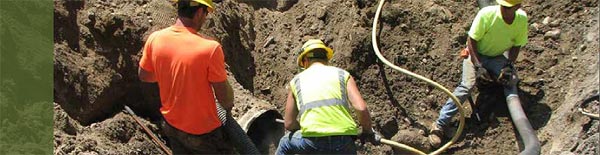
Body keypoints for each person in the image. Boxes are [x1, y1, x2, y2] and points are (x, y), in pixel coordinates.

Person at [138, 0, 236, 154]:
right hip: (203, 134)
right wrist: (229, 100)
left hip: (172, 125)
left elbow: (144, 75)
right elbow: (224, 98)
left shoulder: (155, 39)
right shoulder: (209, 49)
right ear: (198, 13)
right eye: (205, 14)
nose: (205, 19)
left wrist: (170, 75)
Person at [429, 0, 528, 147]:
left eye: (508, 7)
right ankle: (440, 124)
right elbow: (472, 40)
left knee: (511, 79)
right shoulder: (486, 15)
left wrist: (508, 65)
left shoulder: (521, 19)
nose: (504, 10)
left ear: (517, 6)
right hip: (475, 54)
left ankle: (501, 96)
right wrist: (478, 66)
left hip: (496, 57)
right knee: (467, 86)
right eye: (502, 6)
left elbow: (517, 45)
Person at [276, 39, 381, 155]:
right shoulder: (343, 75)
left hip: (313, 143)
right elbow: (361, 108)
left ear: (305, 61)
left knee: (285, 142)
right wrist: (368, 131)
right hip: (344, 143)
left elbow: (289, 123)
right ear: (326, 58)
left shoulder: (296, 82)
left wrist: (304, 128)